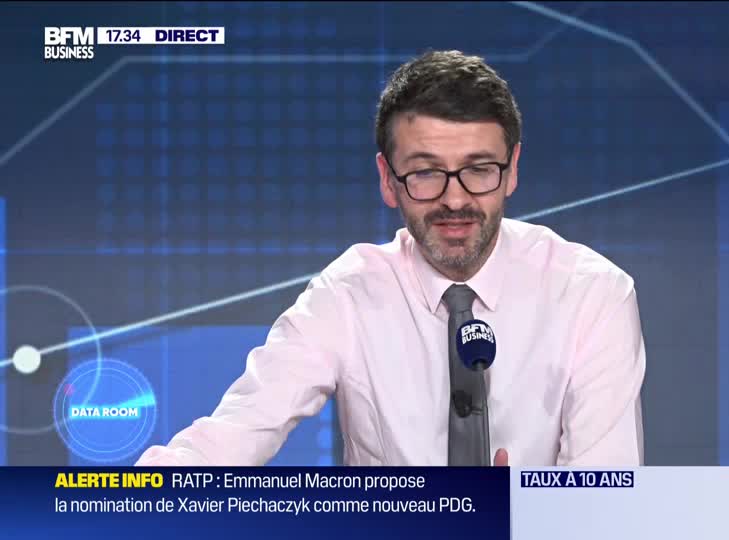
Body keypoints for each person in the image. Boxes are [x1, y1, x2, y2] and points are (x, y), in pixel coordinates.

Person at [136, 50, 646, 467]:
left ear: (512, 169)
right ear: (387, 179)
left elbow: (605, 499)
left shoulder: (593, 294)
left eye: (479, 169)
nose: (454, 199)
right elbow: (236, 432)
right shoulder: (347, 294)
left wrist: (510, 517)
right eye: (425, 172)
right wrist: (132, 501)